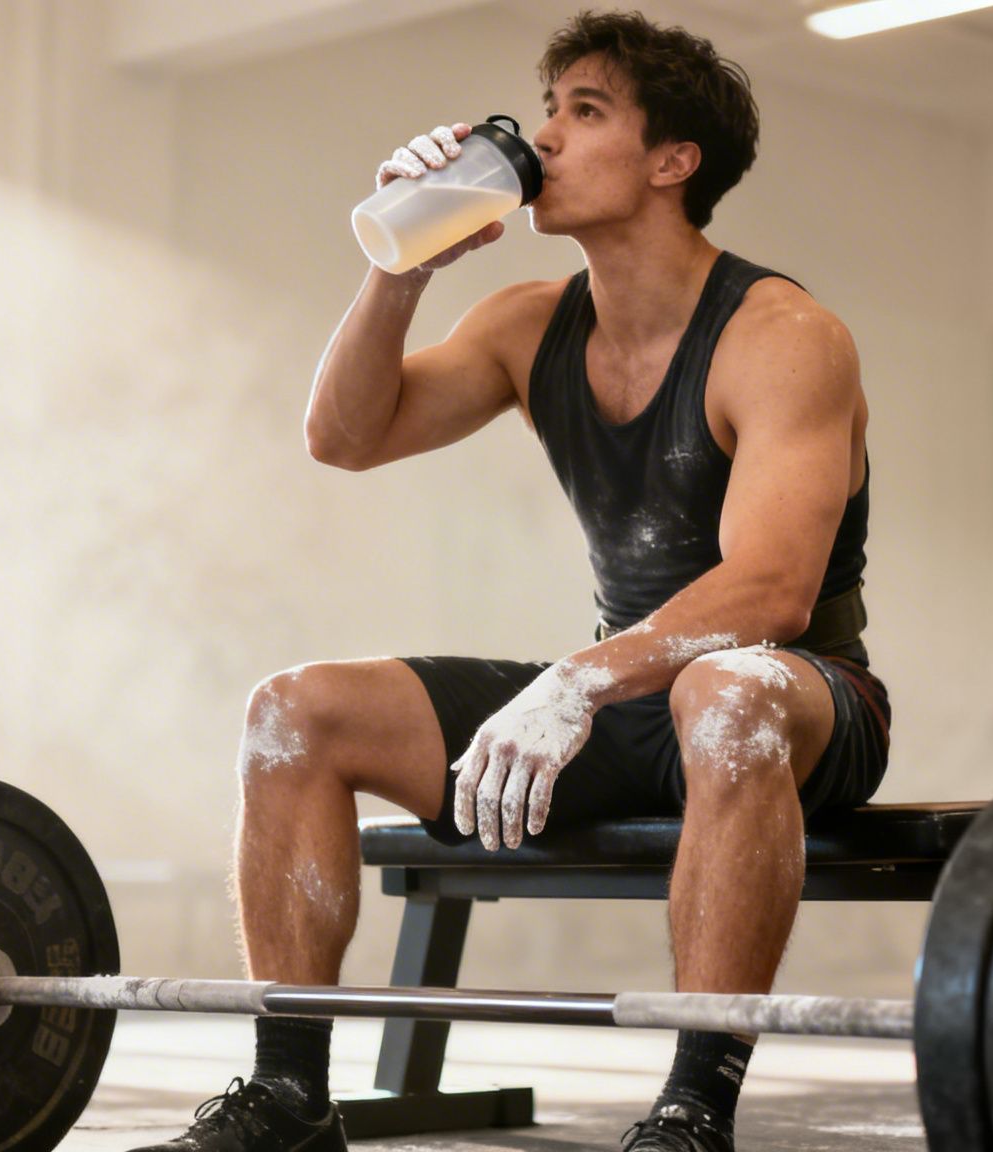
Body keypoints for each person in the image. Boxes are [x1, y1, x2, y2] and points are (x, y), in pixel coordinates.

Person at [135, 10, 889, 1152]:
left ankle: (692, 1111)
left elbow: (772, 593)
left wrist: (577, 680)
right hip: (623, 695)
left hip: (799, 699)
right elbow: (345, 436)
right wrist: (402, 266)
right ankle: (289, 1096)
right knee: (296, 714)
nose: (542, 138)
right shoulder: (528, 323)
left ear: (669, 163)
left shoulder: (781, 335)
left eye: (583, 114)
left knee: (723, 693)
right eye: (547, 109)